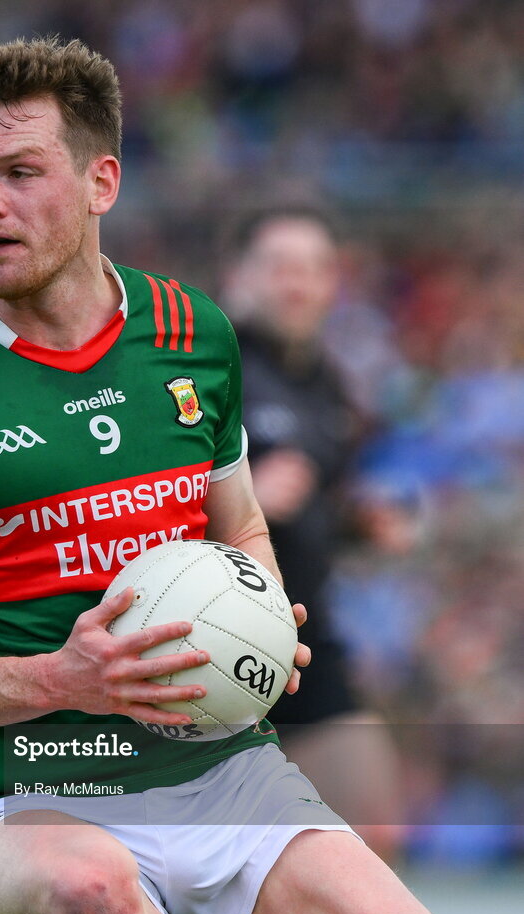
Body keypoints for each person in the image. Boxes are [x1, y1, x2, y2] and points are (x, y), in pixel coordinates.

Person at [0, 36, 491, 914]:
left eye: (17, 173)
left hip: (222, 774)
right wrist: (60, 678)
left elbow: (242, 524)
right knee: (97, 902)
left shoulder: (192, 334)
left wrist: (263, 624)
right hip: (27, 794)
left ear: (101, 182)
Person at [222, 204, 404, 863]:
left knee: (371, 829)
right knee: (155, 866)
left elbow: (313, 507)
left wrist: (359, 523)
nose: (295, 284)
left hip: (300, 638)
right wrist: (244, 500)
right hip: (208, 635)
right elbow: (136, 499)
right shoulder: (203, 368)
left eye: (311, 269)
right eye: (278, 267)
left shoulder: (327, 386)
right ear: (238, 275)